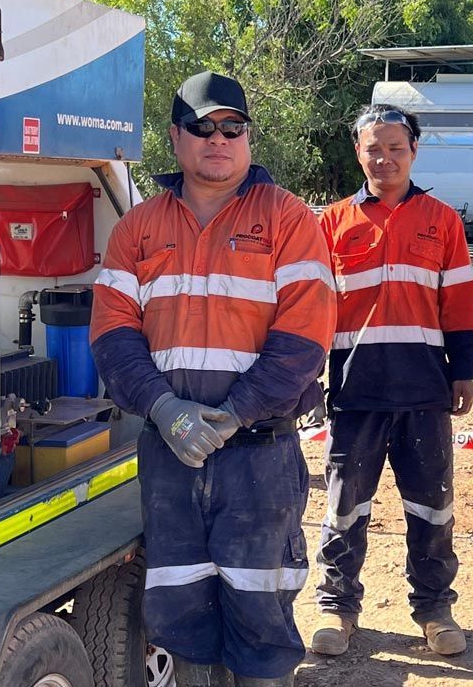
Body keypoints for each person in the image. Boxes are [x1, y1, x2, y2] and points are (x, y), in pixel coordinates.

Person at [89, 71, 336, 687]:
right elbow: (112, 337)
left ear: (248, 136)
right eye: (202, 127)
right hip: (169, 460)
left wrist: (237, 413)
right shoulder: (137, 228)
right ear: (176, 138)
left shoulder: (289, 220)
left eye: (232, 127)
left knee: (260, 615)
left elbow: (305, 340)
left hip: (260, 458)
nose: (218, 138)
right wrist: (165, 410)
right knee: (180, 614)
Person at [311, 104, 473, 658]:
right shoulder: (330, 223)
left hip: (424, 392)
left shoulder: (441, 220)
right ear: (357, 153)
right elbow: (311, 307)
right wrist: (309, 376)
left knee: (431, 508)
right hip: (355, 392)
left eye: (396, 148)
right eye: (373, 148)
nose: (384, 158)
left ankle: (435, 609)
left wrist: (464, 372)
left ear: (414, 152)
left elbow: (459, 300)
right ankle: (338, 607)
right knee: (345, 507)